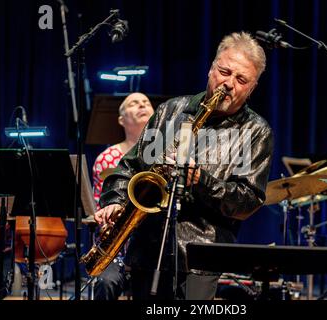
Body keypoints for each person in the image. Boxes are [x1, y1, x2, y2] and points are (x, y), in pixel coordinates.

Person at [94, 31, 274, 300]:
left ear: (252, 87)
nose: (228, 84)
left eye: (241, 79)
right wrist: (115, 199)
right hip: (149, 248)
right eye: (224, 72)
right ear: (211, 68)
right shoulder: (169, 111)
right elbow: (129, 168)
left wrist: (200, 180)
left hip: (202, 254)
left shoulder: (256, 131)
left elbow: (247, 200)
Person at [92, 92, 154, 300]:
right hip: (117, 252)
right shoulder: (108, 159)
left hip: (152, 249)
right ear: (121, 119)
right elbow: (100, 208)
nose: (142, 105)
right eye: (134, 103)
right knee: (106, 283)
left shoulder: (164, 155)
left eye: (146, 102)